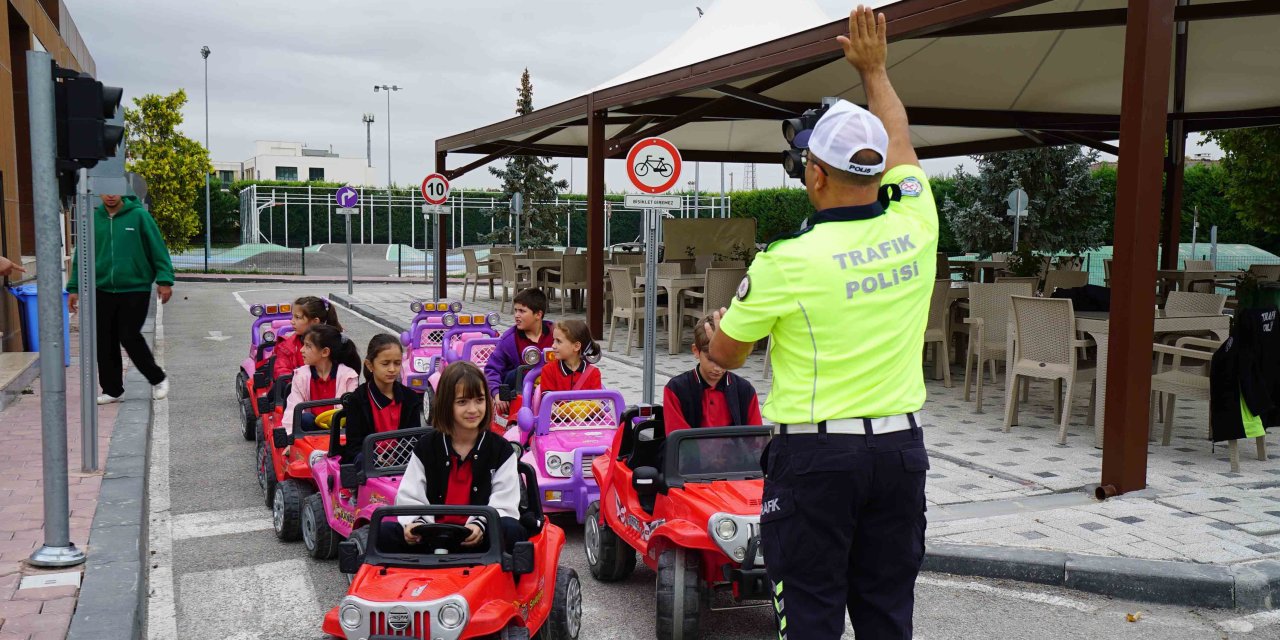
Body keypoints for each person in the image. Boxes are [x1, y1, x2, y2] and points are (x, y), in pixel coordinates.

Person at [704, 7, 937, 639]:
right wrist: (876, 71)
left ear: (813, 174)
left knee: (809, 615)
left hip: (817, 458)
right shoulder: (917, 226)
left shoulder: (786, 262)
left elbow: (725, 357)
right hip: (900, 451)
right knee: (888, 613)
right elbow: (904, 143)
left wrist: (719, 325)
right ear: (876, 169)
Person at [389, 362, 527, 553]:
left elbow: (504, 502)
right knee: (382, 531)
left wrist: (480, 525)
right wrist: (415, 524)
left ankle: (507, 581)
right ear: (446, 404)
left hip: (480, 538)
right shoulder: (426, 446)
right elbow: (411, 495)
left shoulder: (501, 450)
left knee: (511, 530)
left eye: (479, 400)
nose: (473, 409)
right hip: (430, 535)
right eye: (462, 402)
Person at [67, 194, 174, 404]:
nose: (109, 196)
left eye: (113, 191)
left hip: (135, 288)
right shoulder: (93, 219)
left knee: (128, 335)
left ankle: (158, 378)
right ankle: (113, 390)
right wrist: (74, 286)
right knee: (105, 339)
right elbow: (82, 254)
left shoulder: (139, 216)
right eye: (105, 192)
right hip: (102, 288)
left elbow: (157, 248)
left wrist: (164, 279)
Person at [663, 314, 762, 436]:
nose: (718, 367)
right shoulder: (676, 389)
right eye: (711, 359)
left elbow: (756, 439)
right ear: (696, 351)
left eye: (725, 357)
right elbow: (678, 440)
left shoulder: (745, 390)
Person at [340, 334, 425, 464]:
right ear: (370, 365)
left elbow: (413, 440)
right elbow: (354, 445)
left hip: (402, 461)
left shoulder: (410, 398)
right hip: (369, 461)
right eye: (385, 364)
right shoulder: (357, 400)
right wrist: (378, 459)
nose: (392, 369)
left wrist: (396, 458)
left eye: (397, 363)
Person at [486, 288, 554, 414]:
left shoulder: (555, 334)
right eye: (516, 310)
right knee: (519, 372)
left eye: (522, 311)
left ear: (538, 315)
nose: (517, 315)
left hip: (552, 386)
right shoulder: (509, 339)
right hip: (520, 390)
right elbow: (492, 369)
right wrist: (496, 393)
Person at [281, 325, 360, 434]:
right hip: (312, 430)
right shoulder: (300, 375)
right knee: (304, 419)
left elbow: (353, 412)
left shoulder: (348, 376)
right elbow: (292, 409)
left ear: (325, 352)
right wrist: (290, 438)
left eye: (308, 346)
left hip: (339, 428)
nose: (301, 350)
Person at [273, 296, 343, 380]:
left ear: (315, 322)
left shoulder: (338, 344)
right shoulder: (286, 347)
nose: (292, 321)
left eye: (298, 317)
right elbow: (281, 371)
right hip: (296, 390)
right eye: (293, 316)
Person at [538, 319, 602, 393]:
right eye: (553, 340)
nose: (553, 346)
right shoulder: (549, 370)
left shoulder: (593, 373)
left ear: (576, 346)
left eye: (558, 341)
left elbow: (597, 401)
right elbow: (547, 401)